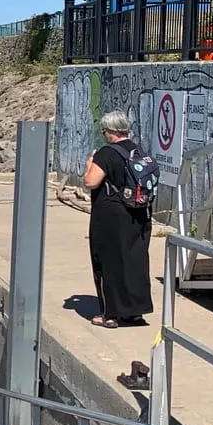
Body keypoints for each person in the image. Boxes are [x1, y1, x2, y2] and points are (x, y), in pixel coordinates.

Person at [82, 110, 154, 328]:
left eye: (104, 130)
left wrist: (88, 165)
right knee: (135, 262)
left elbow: (91, 182)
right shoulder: (138, 150)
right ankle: (135, 312)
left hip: (111, 215)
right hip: (139, 213)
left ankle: (111, 315)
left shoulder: (106, 153)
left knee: (108, 262)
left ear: (110, 131)